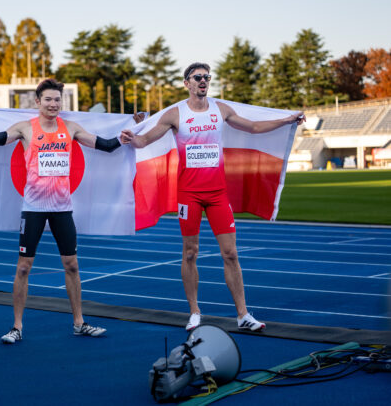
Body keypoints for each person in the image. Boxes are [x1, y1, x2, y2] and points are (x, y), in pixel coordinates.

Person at [120, 62, 305, 332]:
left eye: (207, 77)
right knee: (190, 253)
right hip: (189, 195)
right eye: (198, 77)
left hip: (217, 194)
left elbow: (253, 127)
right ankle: (194, 312)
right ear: (187, 83)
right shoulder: (175, 114)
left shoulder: (221, 109)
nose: (203, 81)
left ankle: (243, 315)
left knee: (230, 254)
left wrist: (287, 120)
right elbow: (144, 140)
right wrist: (131, 137)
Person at [0, 78, 123, 344]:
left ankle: (79, 323)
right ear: (38, 102)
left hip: (62, 209)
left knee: (72, 265)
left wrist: (130, 131)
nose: (53, 104)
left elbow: (107, 145)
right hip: (34, 209)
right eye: (48, 99)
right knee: (23, 267)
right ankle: (16, 327)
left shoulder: (70, 128)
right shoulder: (25, 128)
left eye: (57, 100)